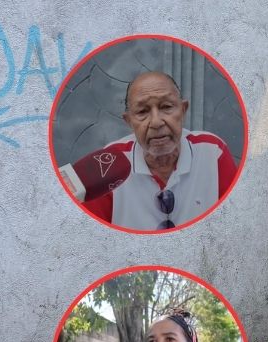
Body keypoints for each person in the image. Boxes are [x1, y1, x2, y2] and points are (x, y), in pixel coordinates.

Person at [71, 71, 237, 230]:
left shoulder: (212, 153)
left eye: (166, 107)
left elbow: (235, 222)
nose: (156, 122)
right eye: (142, 112)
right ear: (129, 121)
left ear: (183, 109)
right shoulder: (108, 165)